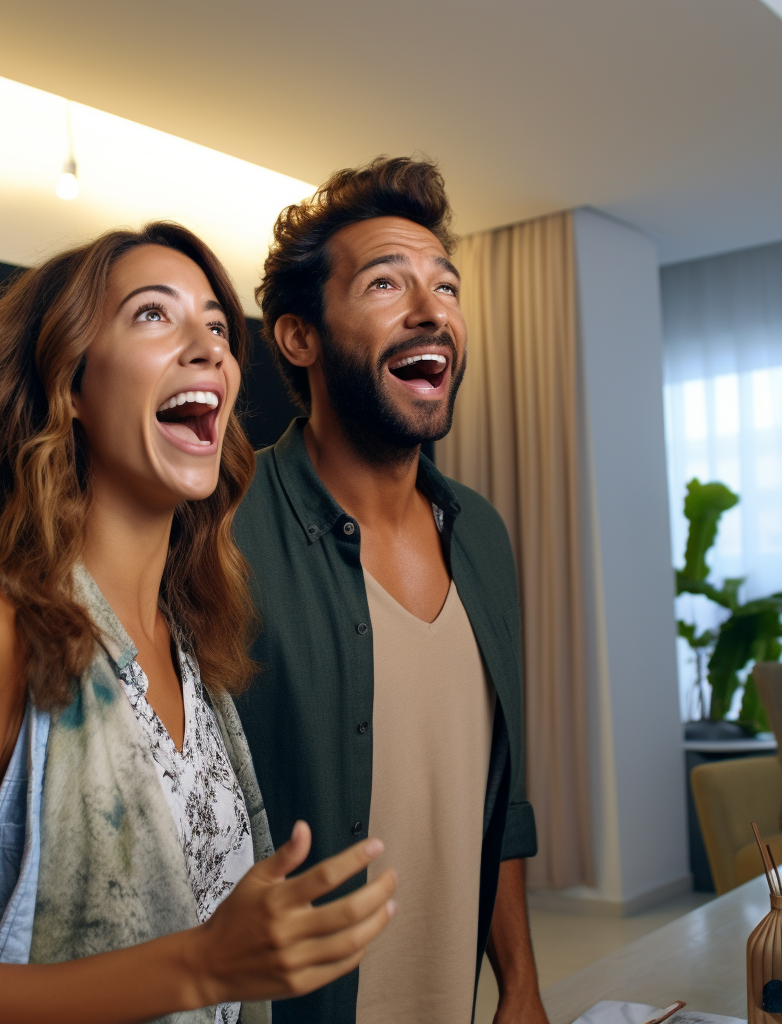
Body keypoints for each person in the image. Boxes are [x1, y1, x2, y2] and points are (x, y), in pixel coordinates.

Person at [0, 223, 396, 1024]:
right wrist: (201, 966)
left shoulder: (194, 646)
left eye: (217, 325)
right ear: (69, 385)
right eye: (154, 315)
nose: (209, 347)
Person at [233, 158, 547, 1024]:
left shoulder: (479, 532)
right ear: (299, 338)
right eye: (386, 283)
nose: (431, 311)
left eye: (445, 287)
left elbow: (497, 799)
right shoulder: (221, 529)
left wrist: (518, 982)